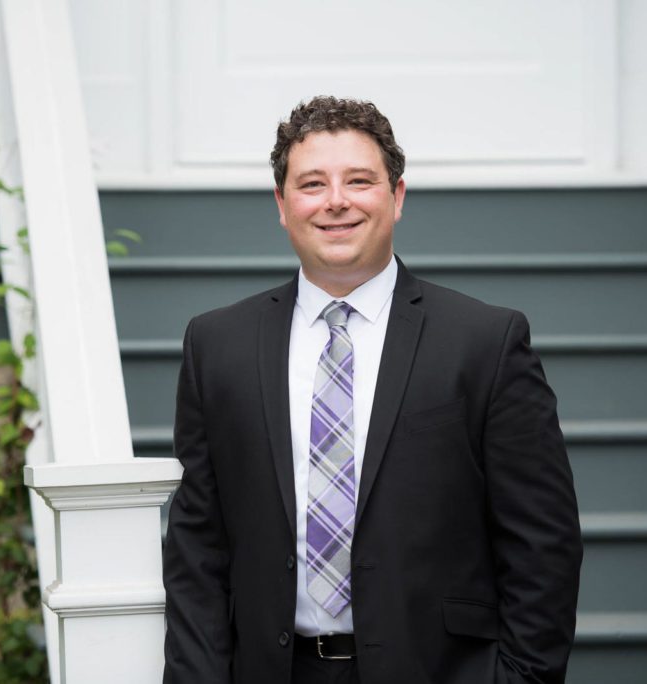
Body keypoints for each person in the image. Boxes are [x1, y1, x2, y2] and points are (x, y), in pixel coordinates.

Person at [163, 96, 583, 684]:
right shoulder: (217, 345)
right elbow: (197, 548)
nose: (336, 201)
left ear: (397, 196)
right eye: (312, 184)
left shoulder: (484, 342)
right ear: (282, 205)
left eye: (359, 181)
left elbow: (543, 542)